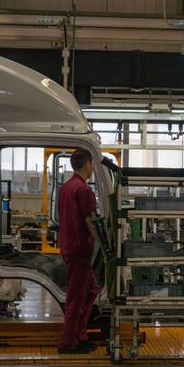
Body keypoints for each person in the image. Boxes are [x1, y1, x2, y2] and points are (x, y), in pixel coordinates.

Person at [57, 148, 100, 354]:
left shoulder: (66, 187)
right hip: (80, 250)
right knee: (75, 297)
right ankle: (68, 343)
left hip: (68, 246)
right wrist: (105, 245)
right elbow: (91, 222)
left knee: (92, 290)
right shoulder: (84, 190)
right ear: (88, 165)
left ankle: (80, 335)